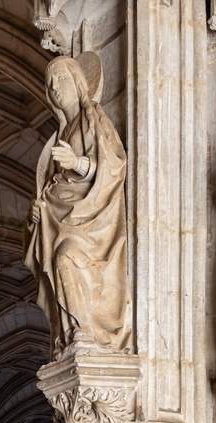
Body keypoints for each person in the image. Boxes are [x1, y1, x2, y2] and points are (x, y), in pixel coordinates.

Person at [23, 54, 133, 356]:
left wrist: (78, 163)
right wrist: (37, 214)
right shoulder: (58, 136)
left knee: (66, 259)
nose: (55, 86)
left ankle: (86, 332)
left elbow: (113, 164)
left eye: (61, 78)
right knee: (59, 263)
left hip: (91, 223)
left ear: (78, 81)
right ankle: (71, 334)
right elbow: (49, 189)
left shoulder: (93, 117)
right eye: (49, 83)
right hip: (60, 220)